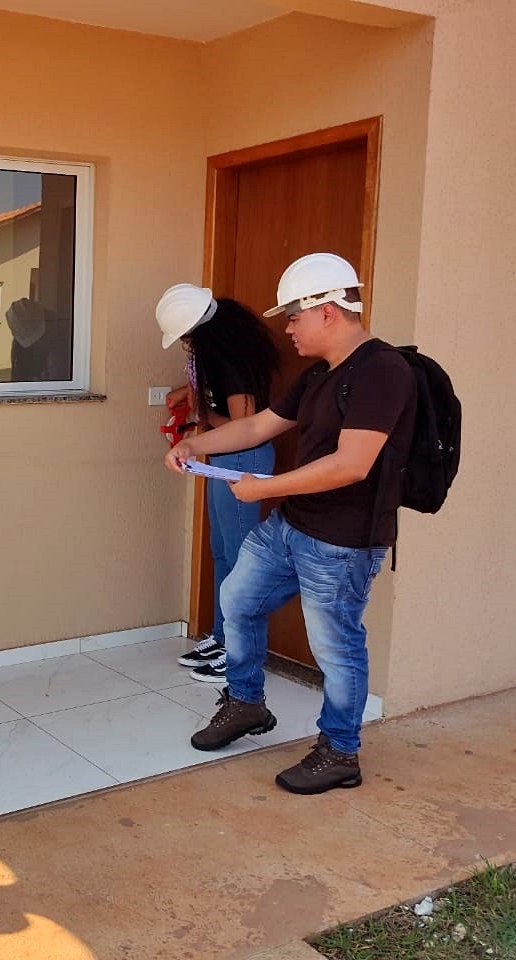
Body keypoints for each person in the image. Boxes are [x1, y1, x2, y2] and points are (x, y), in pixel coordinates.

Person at [165, 253, 416, 795]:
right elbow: (257, 424)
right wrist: (194, 442)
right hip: (291, 526)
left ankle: (340, 752)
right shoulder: (321, 374)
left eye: (294, 316)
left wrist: (263, 489)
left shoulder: (383, 372)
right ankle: (246, 703)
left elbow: (352, 464)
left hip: (344, 542)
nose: (287, 328)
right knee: (238, 600)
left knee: (337, 647)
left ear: (326, 310)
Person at [155, 285, 280, 683]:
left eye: (187, 338)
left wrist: (202, 419)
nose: (186, 345)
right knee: (222, 552)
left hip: (243, 460)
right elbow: (208, 397)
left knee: (243, 561)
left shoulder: (231, 361)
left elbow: (245, 425)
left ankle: (240, 654)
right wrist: (187, 398)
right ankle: (224, 636)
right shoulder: (216, 353)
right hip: (223, 461)